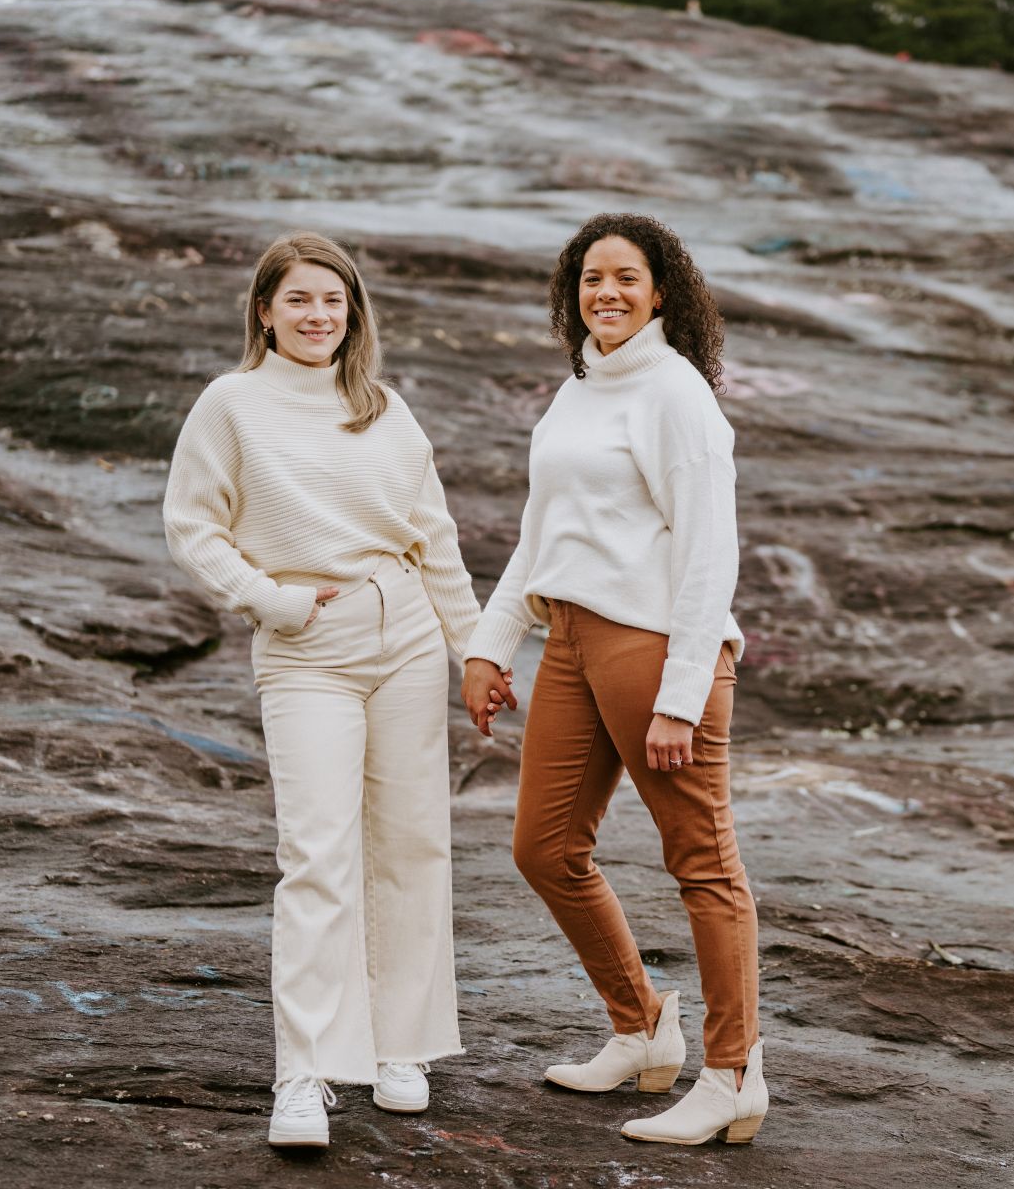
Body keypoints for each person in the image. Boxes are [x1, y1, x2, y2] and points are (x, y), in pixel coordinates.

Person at [162, 232, 488, 1149]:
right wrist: (274, 602)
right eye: (298, 300)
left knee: (413, 842)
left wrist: (475, 653)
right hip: (306, 647)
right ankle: (304, 1074)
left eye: (333, 302)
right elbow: (193, 524)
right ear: (264, 310)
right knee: (315, 852)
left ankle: (401, 1048)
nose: (317, 317)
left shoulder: (384, 408)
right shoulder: (231, 404)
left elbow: (436, 541)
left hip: (408, 639)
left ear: (354, 315)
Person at [461, 213, 768, 1145]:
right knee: (544, 847)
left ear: (661, 290)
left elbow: (712, 551)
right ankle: (640, 1028)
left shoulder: (678, 396)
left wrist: (680, 693)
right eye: (592, 278)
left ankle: (732, 1076)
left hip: (654, 650)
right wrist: (489, 641)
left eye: (627, 278)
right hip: (570, 644)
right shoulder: (579, 389)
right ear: (574, 290)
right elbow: (540, 533)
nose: (607, 293)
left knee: (702, 864)